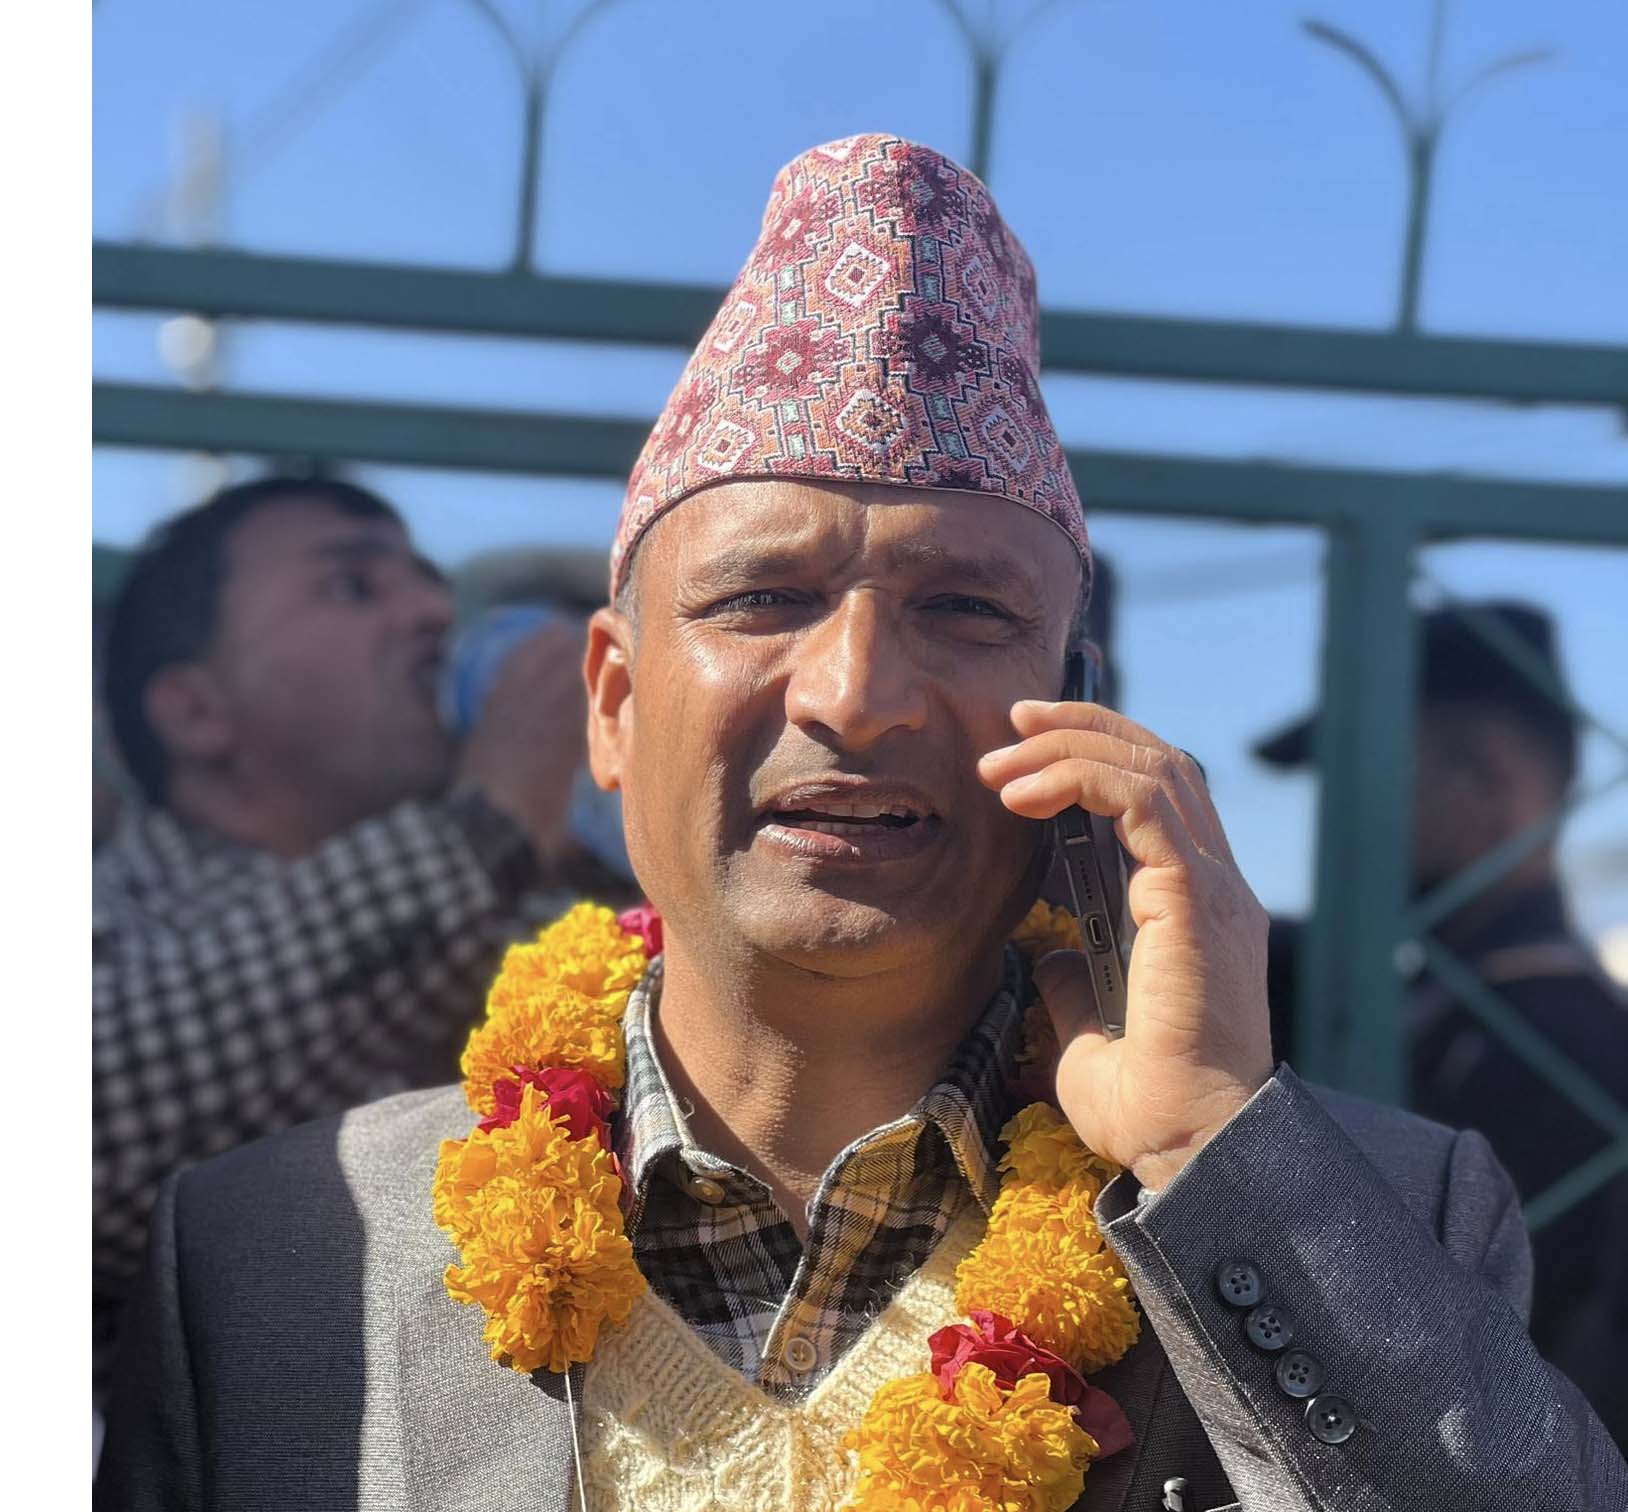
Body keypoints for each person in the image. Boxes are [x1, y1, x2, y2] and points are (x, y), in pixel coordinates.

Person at [98, 136, 1624, 1511]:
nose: (858, 695)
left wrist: (1208, 1149)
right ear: (613, 705)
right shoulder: (282, 1256)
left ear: (1080, 715)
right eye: (764, 597)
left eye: (966, 611)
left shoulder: (1356, 1220)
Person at [92, 475, 591, 1410]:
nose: (434, 613)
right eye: (353, 585)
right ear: (197, 712)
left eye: (428, 581)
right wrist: (490, 828)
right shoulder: (99, 917)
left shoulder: (539, 919)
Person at [1257, 601, 1628, 1445]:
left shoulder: (1552, 1052)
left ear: (1484, 773)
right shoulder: (1445, 1013)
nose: (1340, 822)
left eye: (1363, 776)